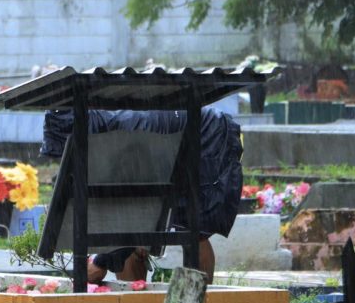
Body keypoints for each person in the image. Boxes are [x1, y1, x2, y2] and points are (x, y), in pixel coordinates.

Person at [42, 107, 242, 284]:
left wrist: (100, 261)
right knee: (134, 238)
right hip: (173, 145)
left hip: (207, 137)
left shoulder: (116, 136)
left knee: (192, 229)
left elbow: (134, 203)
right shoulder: (98, 133)